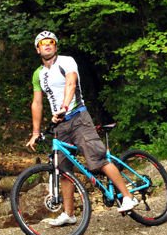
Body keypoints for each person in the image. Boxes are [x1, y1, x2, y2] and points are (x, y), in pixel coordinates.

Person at [26, 30, 138, 223]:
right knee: (62, 169)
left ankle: (128, 197)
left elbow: (71, 83)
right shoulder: (39, 74)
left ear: (55, 46)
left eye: (51, 41)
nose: (47, 44)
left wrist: (64, 107)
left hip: (78, 117)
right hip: (59, 125)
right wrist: (35, 132)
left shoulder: (67, 61)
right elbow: (37, 103)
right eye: (43, 42)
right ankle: (69, 215)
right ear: (37, 49)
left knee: (97, 159)